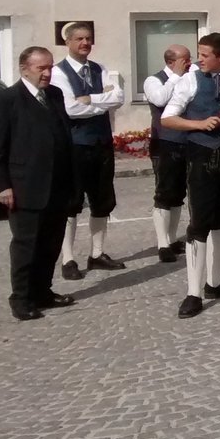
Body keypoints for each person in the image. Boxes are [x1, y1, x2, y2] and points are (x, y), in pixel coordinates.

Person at [161, 32, 220, 319]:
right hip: (201, 157)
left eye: (204, 55)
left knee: (219, 220)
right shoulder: (189, 80)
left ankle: (215, 283)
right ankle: (194, 293)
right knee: (199, 223)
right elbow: (168, 118)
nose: (198, 59)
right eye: (198, 54)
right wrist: (199, 123)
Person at [0, 47, 77, 321]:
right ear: (24, 69)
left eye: (49, 67)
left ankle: (43, 290)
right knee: (26, 245)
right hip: (24, 186)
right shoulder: (8, 99)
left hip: (57, 183)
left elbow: (63, 136)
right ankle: (20, 298)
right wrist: (3, 185)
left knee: (51, 242)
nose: (47, 73)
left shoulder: (54, 95)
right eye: (40, 68)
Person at [50, 21, 126, 280]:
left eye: (88, 39)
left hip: (101, 142)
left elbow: (119, 98)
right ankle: (68, 258)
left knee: (103, 200)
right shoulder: (59, 73)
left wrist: (90, 99)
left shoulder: (99, 68)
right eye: (80, 39)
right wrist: (102, 103)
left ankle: (97, 254)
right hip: (75, 145)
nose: (85, 43)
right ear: (68, 42)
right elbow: (69, 108)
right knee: (71, 203)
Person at [143, 44, 194, 262]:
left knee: (178, 193)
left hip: (187, 140)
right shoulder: (153, 80)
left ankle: (172, 238)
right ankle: (162, 243)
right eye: (185, 59)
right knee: (164, 192)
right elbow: (160, 100)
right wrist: (176, 77)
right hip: (164, 141)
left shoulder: (190, 77)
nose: (189, 63)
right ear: (171, 62)